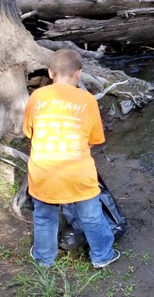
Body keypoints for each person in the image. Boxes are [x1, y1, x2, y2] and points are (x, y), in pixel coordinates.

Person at [24, 49, 121, 269]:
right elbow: (94, 139)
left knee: (44, 216)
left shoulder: (37, 97)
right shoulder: (87, 100)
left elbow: (30, 132)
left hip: (43, 173)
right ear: (78, 74)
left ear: (50, 72)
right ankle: (101, 256)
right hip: (78, 174)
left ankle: (44, 258)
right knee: (91, 216)